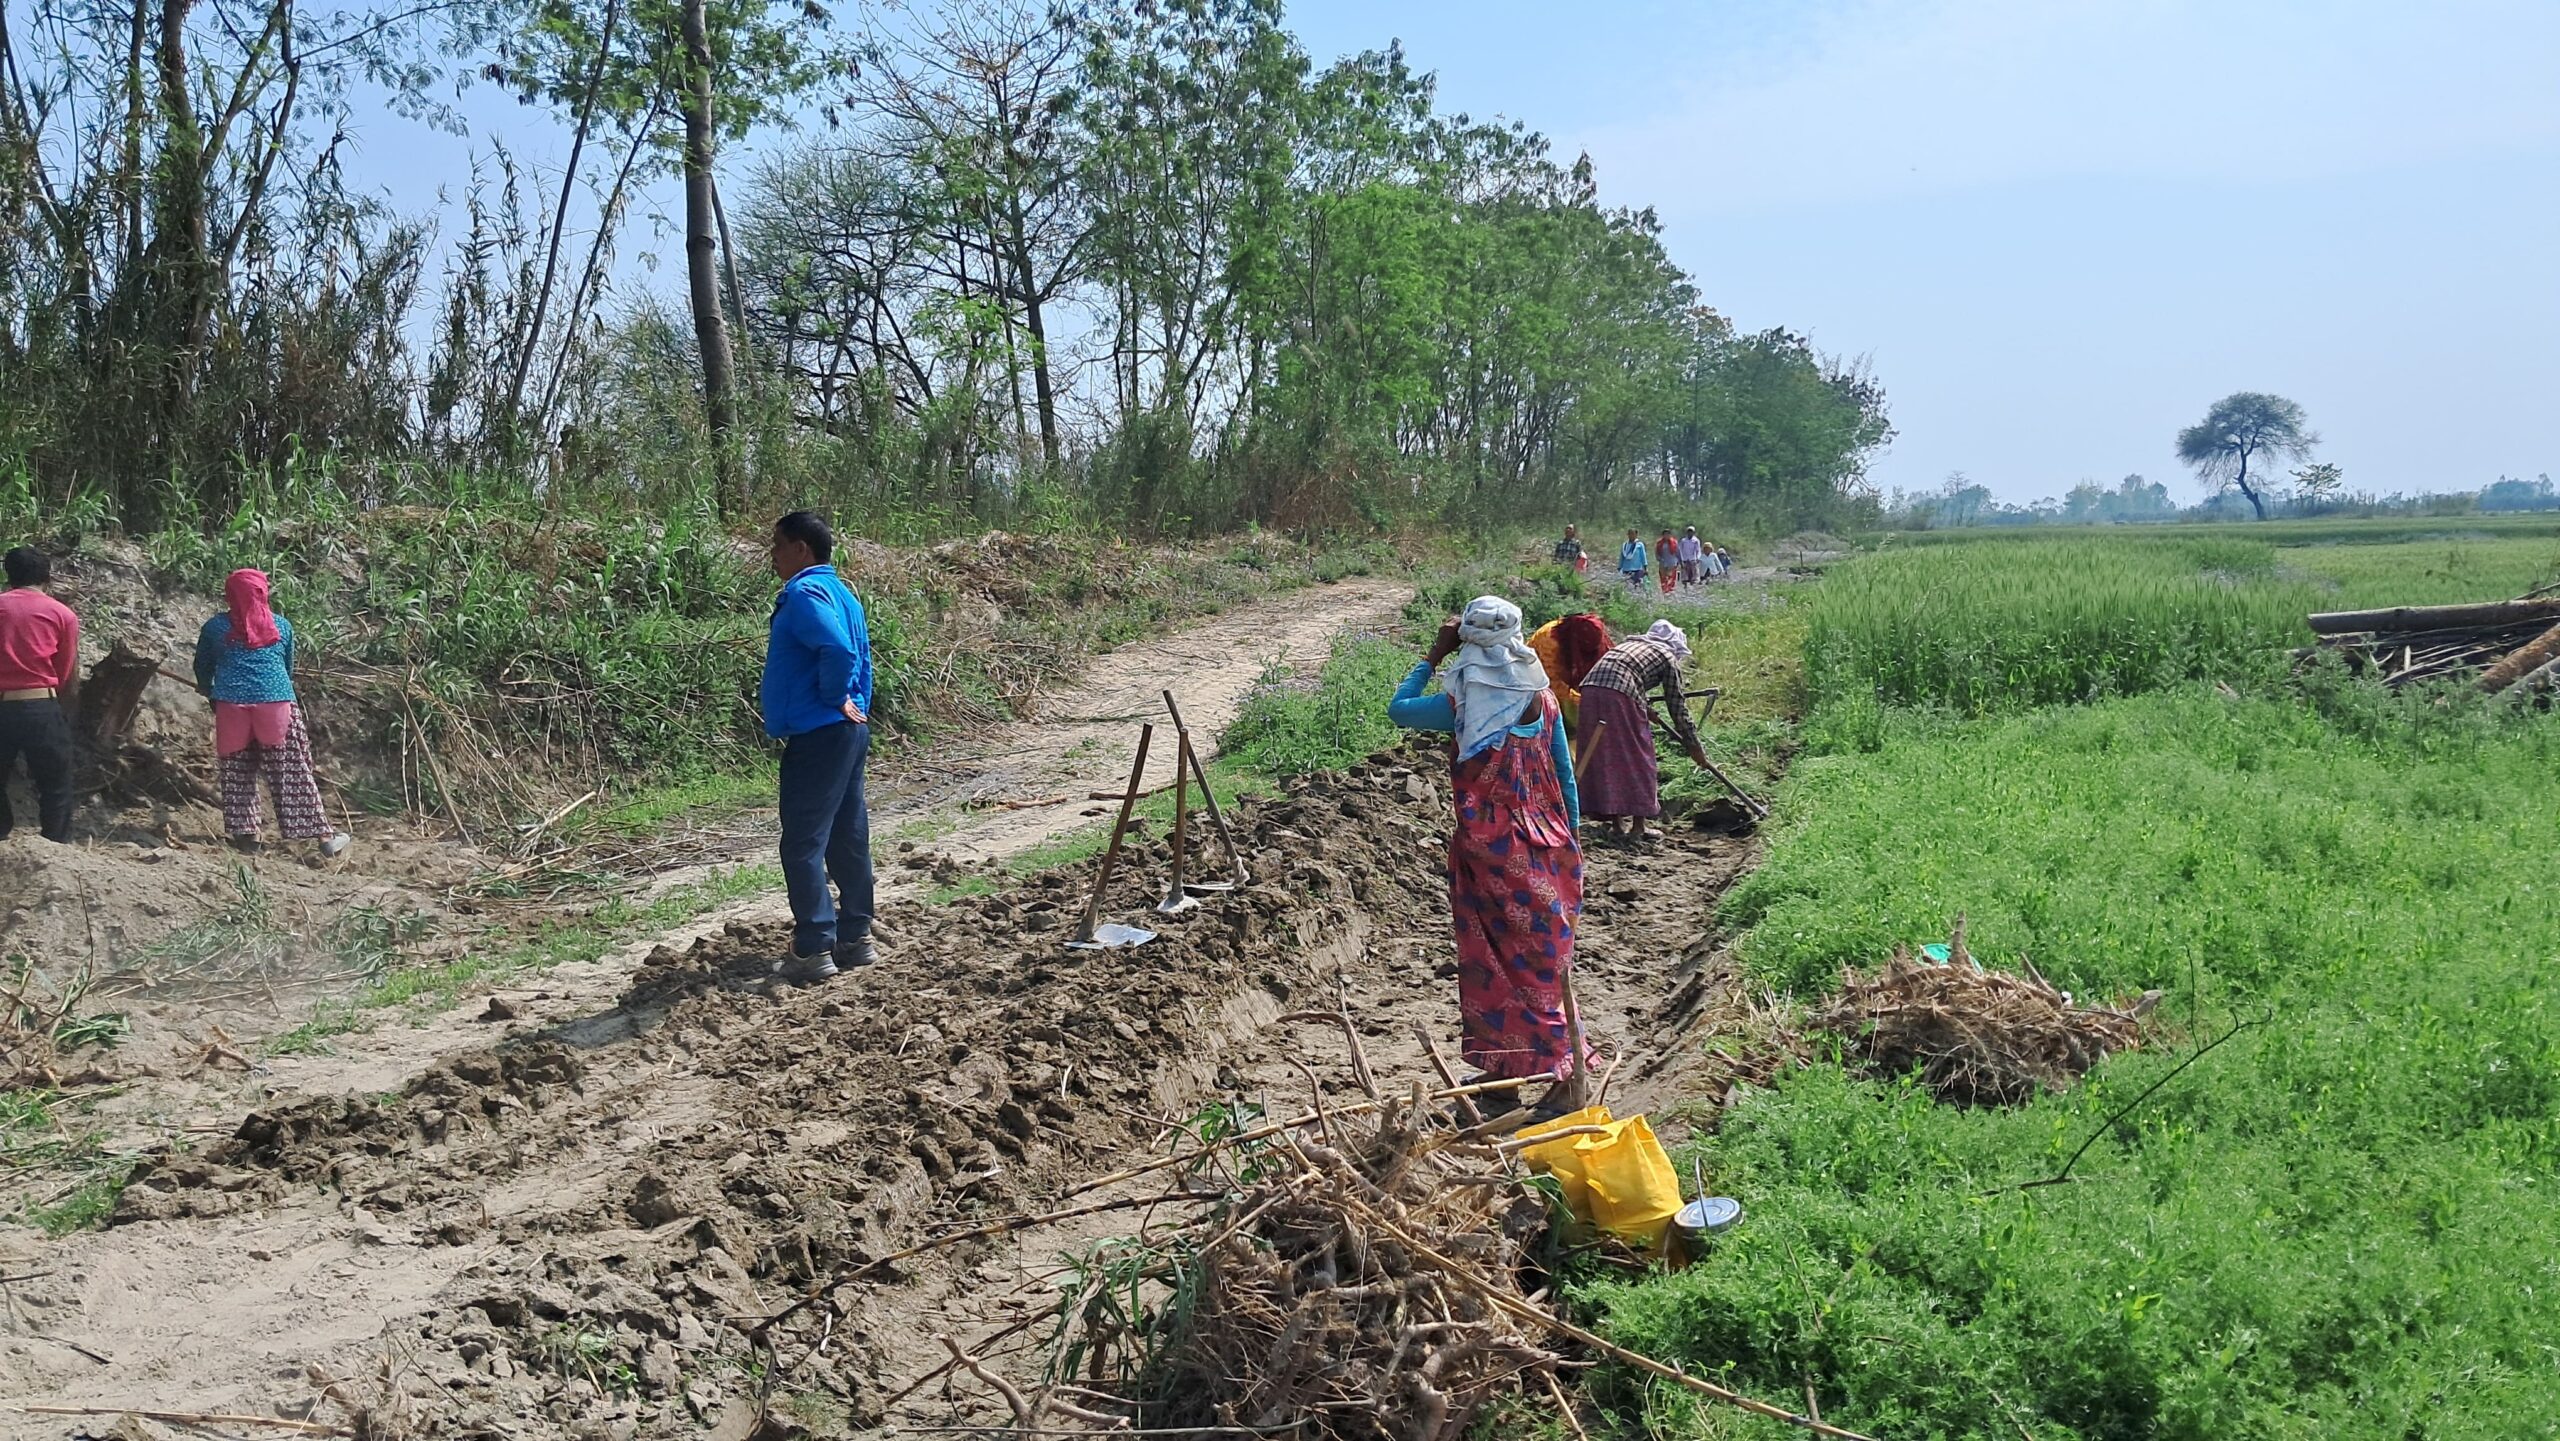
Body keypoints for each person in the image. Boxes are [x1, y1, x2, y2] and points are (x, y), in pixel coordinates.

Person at [1389, 596, 1585, 1112]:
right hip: (1549, 847)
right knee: (1543, 962)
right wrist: (1573, 840)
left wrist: (1433, 655)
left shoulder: (1463, 704)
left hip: (1491, 853)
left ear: (1468, 642)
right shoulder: (1541, 700)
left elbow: (1399, 709)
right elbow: (1564, 777)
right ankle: (1516, 1078)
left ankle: (1552, 1076)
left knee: (1493, 965)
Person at [763, 510, 877, 984]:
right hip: (847, 731)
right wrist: (850, 703)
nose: (772, 555)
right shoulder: (842, 592)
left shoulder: (804, 593)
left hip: (820, 732)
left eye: (777, 545)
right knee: (847, 835)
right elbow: (857, 653)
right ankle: (856, 936)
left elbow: (839, 650)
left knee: (803, 841)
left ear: (801, 549)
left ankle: (813, 947)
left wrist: (833, 697)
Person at [193, 569, 351, 856]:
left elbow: (202, 666)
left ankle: (247, 835)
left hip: (231, 706)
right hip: (275, 703)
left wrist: (207, 688)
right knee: (291, 771)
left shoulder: (215, 628)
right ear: (263, 594)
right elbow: (287, 669)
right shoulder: (281, 626)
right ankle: (324, 837)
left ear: (230, 595)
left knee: (237, 770)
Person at [1576, 620, 1703, 842]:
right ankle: (1638, 827)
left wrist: (1645, 707)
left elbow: (1624, 674)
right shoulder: (1667, 656)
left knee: (1605, 756)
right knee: (1638, 757)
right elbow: (1677, 706)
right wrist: (1694, 746)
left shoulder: (1630, 645)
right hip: (1618, 695)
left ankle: (1616, 824)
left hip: (1590, 691)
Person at [0, 547, 79, 844]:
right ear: (47, 577)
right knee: (56, 783)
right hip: (41, 704)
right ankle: (55, 845)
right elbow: (65, 669)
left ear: (9, 575)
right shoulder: (62, 614)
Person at [1526, 612, 1612, 733]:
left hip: (1566, 671)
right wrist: (1579, 700)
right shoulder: (1550, 642)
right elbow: (1553, 683)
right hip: (1538, 678)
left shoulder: (1593, 633)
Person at [1617, 529, 1648, 594]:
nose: (1631, 535)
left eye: (1633, 534)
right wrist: (1619, 566)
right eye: (1630, 534)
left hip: (1637, 569)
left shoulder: (1639, 545)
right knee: (1627, 586)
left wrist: (1645, 568)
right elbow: (1622, 557)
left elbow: (1643, 556)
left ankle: (1638, 596)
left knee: (1637, 585)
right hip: (1626, 569)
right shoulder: (1625, 545)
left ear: (1636, 535)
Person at [1654, 530, 1679, 596]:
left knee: (1671, 578)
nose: (1666, 536)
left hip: (1672, 563)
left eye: (1668, 534)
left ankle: (1671, 591)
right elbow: (1656, 552)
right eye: (1665, 534)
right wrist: (1659, 558)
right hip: (1663, 563)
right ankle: (1665, 591)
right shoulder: (1659, 543)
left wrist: (1678, 561)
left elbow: (1677, 552)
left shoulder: (1674, 542)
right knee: (1663, 578)